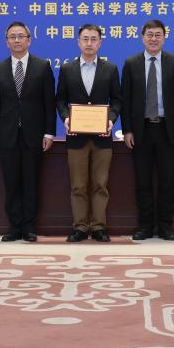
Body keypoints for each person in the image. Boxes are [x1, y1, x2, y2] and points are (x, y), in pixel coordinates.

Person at [121, 19, 174, 240]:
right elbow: (125, 100)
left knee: (167, 181)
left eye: (158, 35)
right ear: (142, 37)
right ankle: (145, 226)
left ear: (164, 37)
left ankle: (166, 226)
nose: (153, 39)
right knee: (142, 181)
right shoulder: (131, 63)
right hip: (140, 130)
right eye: (149, 35)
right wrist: (127, 129)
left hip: (166, 129)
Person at [0, 22, 56, 242]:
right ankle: (14, 226)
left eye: (20, 36)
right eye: (12, 37)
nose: (16, 40)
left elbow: (49, 103)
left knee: (31, 182)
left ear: (29, 39)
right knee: (11, 183)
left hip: (34, 135)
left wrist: (49, 133)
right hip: (7, 136)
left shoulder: (42, 66)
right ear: (6, 41)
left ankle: (29, 227)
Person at [56, 24, 122, 242]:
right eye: (85, 39)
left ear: (100, 43)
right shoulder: (67, 69)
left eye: (94, 39)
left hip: (102, 137)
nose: (89, 43)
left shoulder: (110, 69)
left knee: (100, 184)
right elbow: (60, 100)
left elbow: (117, 100)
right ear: (78, 42)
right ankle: (81, 227)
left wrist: (111, 120)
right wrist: (66, 118)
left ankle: (99, 226)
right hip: (76, 137)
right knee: (78, 185)